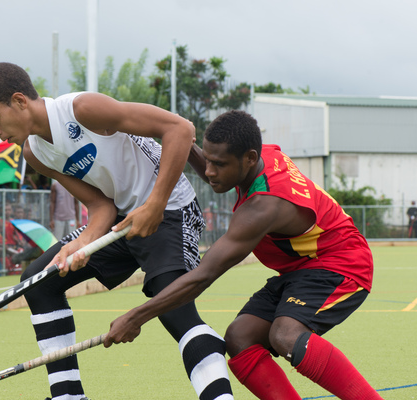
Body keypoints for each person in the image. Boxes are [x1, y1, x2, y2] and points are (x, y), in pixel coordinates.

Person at [0, 62, 233, 400]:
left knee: (172, 307)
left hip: (170, 209)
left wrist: (154, 205)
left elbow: (180, 129)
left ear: (20, 101)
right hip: (122, 219)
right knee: (39, 281)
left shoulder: (81, 109)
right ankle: (68, 396)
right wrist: (80, 245)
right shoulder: (35, 153)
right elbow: (101, 207)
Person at [105, 111, 383, 400]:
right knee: (240, 338)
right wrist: (181, 137)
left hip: (342, 264)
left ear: (249, 158)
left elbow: (202, 277)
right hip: (301, 269)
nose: (210, 171)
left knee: (285, 335)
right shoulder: (262, 157)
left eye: (219, 164)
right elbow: (222, 174)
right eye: (209, 160)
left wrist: (136, 317)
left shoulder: (265, 206)